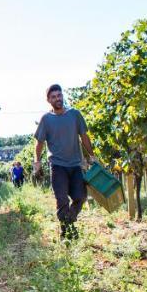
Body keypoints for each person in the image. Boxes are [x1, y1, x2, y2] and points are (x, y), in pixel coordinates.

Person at [34, 84, 94, 240]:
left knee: (80, 197)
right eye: (53, 97)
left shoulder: (74, 114)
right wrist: (37, 161)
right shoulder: (46, 119)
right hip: (57, 165)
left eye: (59, 95)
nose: (57, 99)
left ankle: (68, 221)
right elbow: (39, 142)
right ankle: (66, 232)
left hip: (75, 164)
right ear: (48, 100)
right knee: (61, 200)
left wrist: (91, 156)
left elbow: (84, 136)